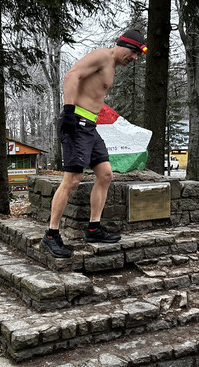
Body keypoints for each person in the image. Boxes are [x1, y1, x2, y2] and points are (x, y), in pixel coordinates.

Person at [40, 29, 148, 258]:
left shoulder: (112, 67)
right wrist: (68, 110)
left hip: (89, 127)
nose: (134, 57)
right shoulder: (102, 56)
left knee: (105, 174)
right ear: (123, 44)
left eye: (138, 54)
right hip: (76, 122)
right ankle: (51, 235)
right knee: (72, 180)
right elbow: (71, 75)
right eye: (133, 51)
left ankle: (94, 228)